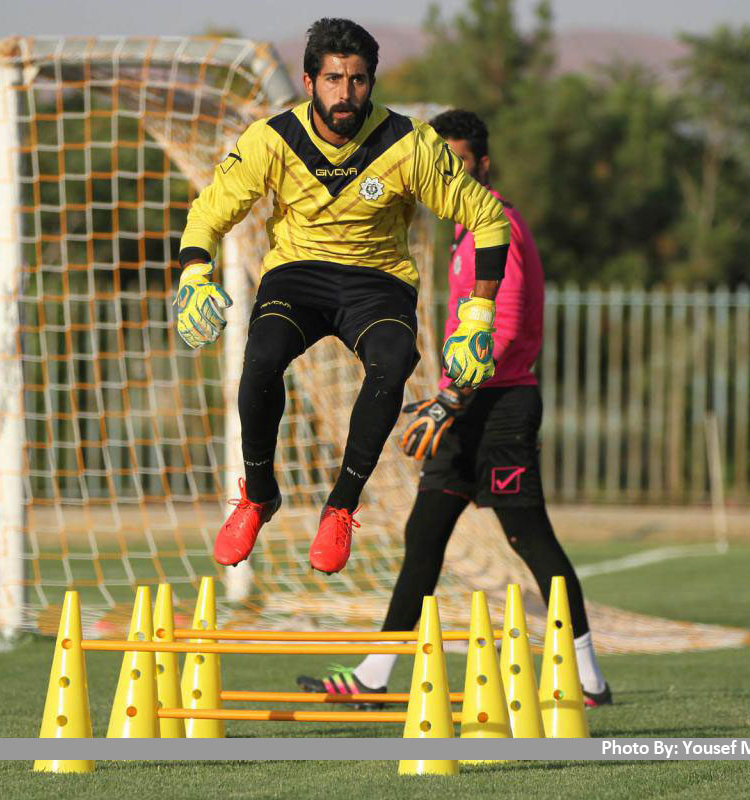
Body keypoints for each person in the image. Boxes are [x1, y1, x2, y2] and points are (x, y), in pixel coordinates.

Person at [296, 109, 612, 706]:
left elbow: (509, 328)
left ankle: (589, 679)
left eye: (460, 162)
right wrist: (443, 396)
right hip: (464, 410)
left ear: (483, 166)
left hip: (500, 410)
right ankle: (373, 677)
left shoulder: (501, 229)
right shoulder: (464, 233)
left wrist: (450, 397)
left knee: (529, 539)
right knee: (425, 535)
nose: (450, 174)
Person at [173, 19, 510, 574]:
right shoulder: (271, 139)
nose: (345, 94)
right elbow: (209, 212)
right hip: (297, 274)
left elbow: (489, 218)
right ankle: (258, 496)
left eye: (357, 80)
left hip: (378, 280)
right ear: (309, 82)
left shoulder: (409, 143)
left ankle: (341, 507)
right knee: (259, 360)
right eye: (333, 79)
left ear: (371, 82)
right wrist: (193, 275)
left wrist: (478, 315)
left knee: (394, 362)